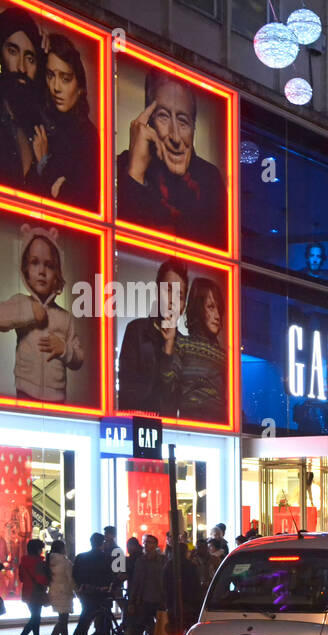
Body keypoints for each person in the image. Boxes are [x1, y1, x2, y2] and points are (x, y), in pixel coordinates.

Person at [116, 68, 226, 248]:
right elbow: (120, 246)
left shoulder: (210, 181)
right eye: (164, 117)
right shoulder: (121, 168)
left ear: (193, 128)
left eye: (183, 121)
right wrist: (135, 173)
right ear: (148, 121)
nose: (175, 137)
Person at [0, 231, 84, 403]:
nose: (42, 271)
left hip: (57, 397)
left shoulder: (65, 317)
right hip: (25, 390)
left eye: (49, 265)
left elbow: (79, 357)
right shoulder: (21, 302)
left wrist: (64, 349)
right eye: (35, 263)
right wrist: (29, 311)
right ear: (25, 270)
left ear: (57, 272)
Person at [27, 32, 98, 207]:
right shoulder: (42, 120)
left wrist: (44, 162)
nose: (56, 87)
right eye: (50, 75)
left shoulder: (86, 136)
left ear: (80, 87)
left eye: (65, 79)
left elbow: (79, 202)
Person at [0, 7, 43, 189]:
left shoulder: (41, 129)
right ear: (0, 54)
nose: (21, 67)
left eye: (30, 58)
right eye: (13, 52)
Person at [118, 257, 186, 415]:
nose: (173, 301)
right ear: (157, 291)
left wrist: (169, 348)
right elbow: (128, 394)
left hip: (170, 432)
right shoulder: (136, 331)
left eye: (180, 296)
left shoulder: (184, 346)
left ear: (183, 307)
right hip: (137, 427)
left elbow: (174, 402)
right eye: (168, 290)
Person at [166, 276, 227, 421]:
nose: (217, 316)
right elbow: (168, 387)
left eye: (219, 308)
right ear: (199, 308)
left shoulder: (225, 357)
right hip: (191, 428)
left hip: (220, 429)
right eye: (211, 307)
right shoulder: (182, 345)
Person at [70, 532, 117, 635]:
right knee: (105, 620)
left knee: (85, 617)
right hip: (103, 592)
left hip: (87, 592)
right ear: (102, 543)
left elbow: (75, 574)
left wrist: (83, 585)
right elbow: (111, 575)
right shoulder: (107, 558)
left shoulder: (81, 557)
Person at [121, 534, 165, 635]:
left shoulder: (162, 560)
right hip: (144, 599)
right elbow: (136, 582)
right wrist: (133, 600)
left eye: (150, 542)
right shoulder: (141, 561)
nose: (147, 545)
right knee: (139, 626)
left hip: (158, 598)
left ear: (156, 545)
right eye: (145, 542)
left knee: (156, 628)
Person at [12, 538, 49, 635]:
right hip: (37, 592)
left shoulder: (23, 562)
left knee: (36, 617)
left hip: (27, 591)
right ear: (38, 549)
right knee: (35, 617)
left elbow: (22, 578)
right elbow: (41, 579)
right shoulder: (39, 562)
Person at [44, 539, 74, 635]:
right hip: (64, 592)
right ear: (62, 548)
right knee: (63, 619)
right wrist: (77, 591)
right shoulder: (65, 562)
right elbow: (71, 578)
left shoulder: (49, 560)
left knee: (63, 618)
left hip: (54, 591)